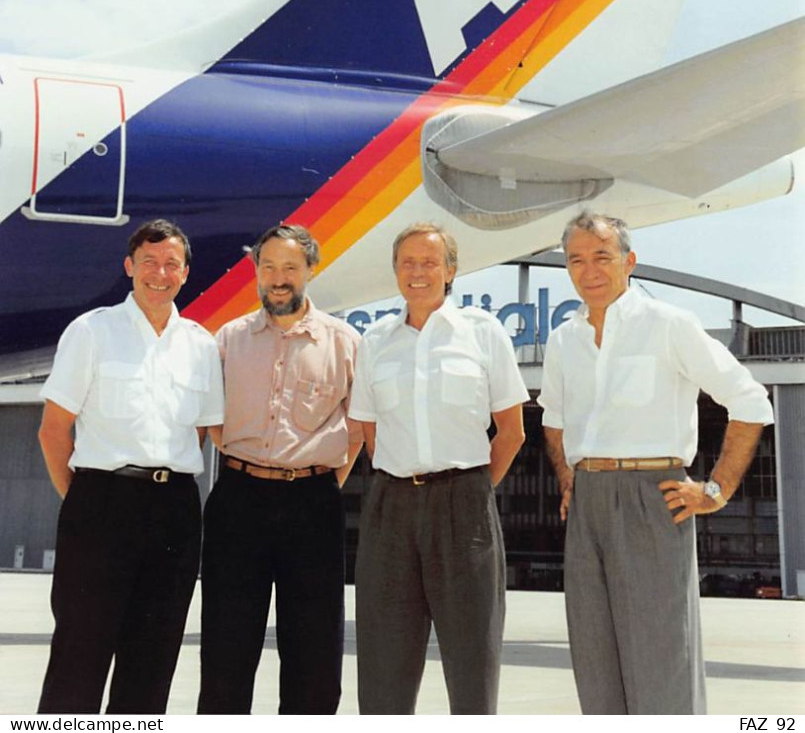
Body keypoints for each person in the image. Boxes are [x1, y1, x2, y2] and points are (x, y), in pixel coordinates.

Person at [539, 210, 774, 716]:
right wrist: (566, 479)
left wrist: (715, 490)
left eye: (602, 256)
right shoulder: (564, 340)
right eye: (576, 260)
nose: (589, 270)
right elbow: (553, 420)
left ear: (629, 261)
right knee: (593, 653)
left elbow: (751, 402)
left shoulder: (668, 325)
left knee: (660, 654)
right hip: (587, 500)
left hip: (654, 495)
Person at [37, 219, 225, 715]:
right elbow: (54, 430)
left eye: (170, 264)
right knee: (81, 650)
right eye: (148, 262)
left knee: (154, 655)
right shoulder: (92, 331)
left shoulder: (201, 345)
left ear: (185, 272)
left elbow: (203, 430)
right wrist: (83, 501)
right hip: (101, 503)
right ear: (129, 267)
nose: (159, 273)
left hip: (175, 509)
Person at [349, 221, 529, 715]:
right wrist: (407, 479)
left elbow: (511, 432)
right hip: (391, 508)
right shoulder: (375, 341)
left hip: (464, 503)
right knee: (384, 664)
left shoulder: (482, 332)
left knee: (472, 659)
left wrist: (468, 491)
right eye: (407, 262)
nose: (418, 271)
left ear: (450, 270)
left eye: (429, 262)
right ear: (395, 271)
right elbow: (368, 431)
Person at [197, 223, 363, 715]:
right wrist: (249, 466)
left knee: (313, 652)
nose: (278, 277)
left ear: (311, 269)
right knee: (227, 648)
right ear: (256, 273)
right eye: (268, 267)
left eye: (290, 267)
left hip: (312, 504)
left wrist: (319, 482)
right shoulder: (229, 339)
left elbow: (356, 429)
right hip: (238, 499)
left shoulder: (345, 342)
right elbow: (212, 421)